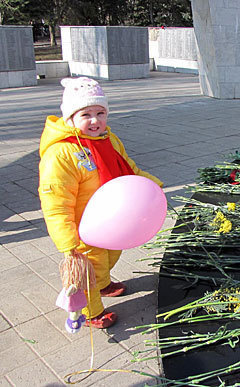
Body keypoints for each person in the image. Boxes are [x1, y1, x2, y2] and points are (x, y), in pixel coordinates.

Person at [38, 77, 163, 329]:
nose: (95, 121)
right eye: (86, 114)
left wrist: (152, 184)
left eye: (100, 113)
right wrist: (67, 241)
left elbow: (129, 169)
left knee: (111, 255)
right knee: (89, 270)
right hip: (84, 228)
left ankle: (104, 284)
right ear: (70, 117)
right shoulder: (61, 154)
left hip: (113, 220)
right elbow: (56, 202)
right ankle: (91, 312)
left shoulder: (109, 140)